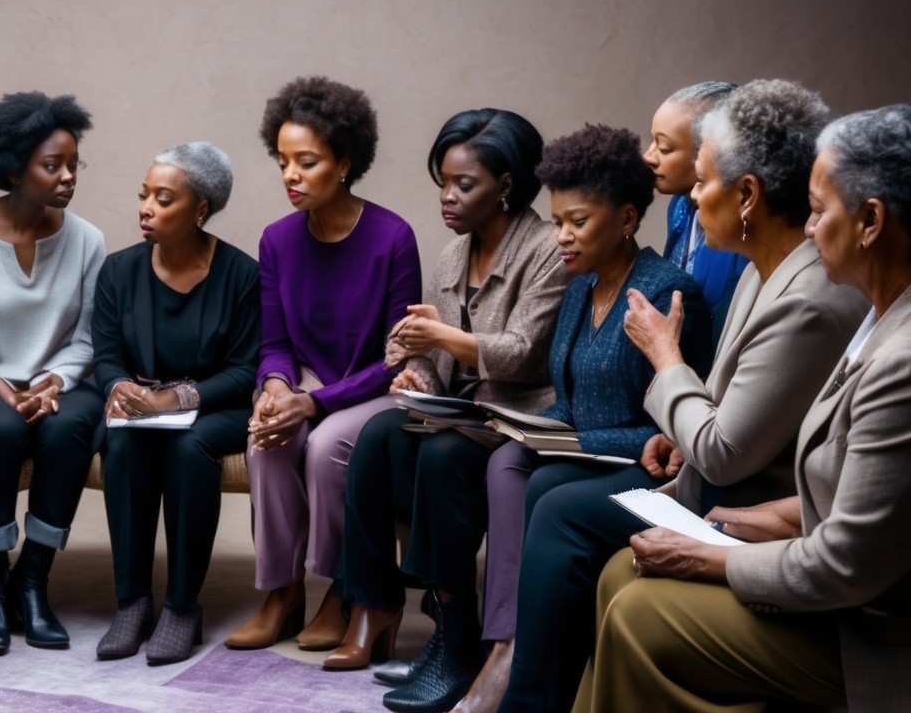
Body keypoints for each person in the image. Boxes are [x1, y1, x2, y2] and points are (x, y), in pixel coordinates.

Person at [498, 80, 851, 713]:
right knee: (552, 501)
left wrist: (665, 357)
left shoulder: (803, 297)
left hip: (746, 507)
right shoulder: (761, 272)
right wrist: (675, 437)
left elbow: (724, 453)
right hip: (713, 482)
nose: (688, 195)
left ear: (746, 196)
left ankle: (526, 698)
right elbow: (722, 409)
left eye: (702, 180)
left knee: (560, 512)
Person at [576, 103, 911, 713]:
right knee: (622, 575)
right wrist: (789, 516)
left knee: (641, 612)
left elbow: (850, 564)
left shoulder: (896, 354)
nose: (809, 230)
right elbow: (876, 502)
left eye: (818, 210)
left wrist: (712, 556)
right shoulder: (874, 314)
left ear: (869, 221)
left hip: (873, 635)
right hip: (840, 587)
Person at [385, 124, 714, 713]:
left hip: (646, 462)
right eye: (557, 220)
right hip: (585, 449)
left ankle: (523, 676)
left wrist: (570, 435)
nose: (561, 235)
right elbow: (563, 399)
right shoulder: (581, 285)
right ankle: (481, 644)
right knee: (498, 456)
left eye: (578, 222)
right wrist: (516, 424)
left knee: (547, 489)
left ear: (629, 219)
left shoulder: (669, 292)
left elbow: (677, 429)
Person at [338, 110, 567, 701]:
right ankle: (377, 603)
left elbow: (519, 356)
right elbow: (438, 369)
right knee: (379, 436)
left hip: (523, 420)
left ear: (508, 184)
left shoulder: (546, 249)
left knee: (441, 458)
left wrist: (437, 337)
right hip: (466, 418)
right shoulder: (450, 257)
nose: (447, 196)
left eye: (464, 184)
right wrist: (414, 369)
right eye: (442, 180)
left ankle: (459, 637)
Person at [227, 76, 423, 652]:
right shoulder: (277, 240)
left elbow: (397, 358)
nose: (290, 175)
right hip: (307, 380)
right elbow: (275, 341)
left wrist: (312, 402)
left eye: (306, 162)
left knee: (325, 445)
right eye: (283, 161)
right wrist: (276, 388)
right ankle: (283, 594)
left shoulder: (393, 238)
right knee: (265, 436)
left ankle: (342, 588)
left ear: (344, 162)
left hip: (376, 387)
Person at [0, 91, 106, 654]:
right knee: (2, 429)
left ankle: (31, 581)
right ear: (12, 169)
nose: (67, 177)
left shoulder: (87, 241)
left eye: (73, 165)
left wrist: (53, 382)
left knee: (67, 428)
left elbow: (87, 339)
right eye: (51, 165)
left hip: (61, 382)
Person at [91, 142, 260, 665]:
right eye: (144, 196)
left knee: (190, 451)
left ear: (201, 209)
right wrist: (123, 390)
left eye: (163, 200)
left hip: (214, 408)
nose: (146, 207)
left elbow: (243, 370)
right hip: (141, 405)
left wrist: (179, 397)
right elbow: (106, 358)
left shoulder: (241, 275)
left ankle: (183, 606)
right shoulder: (118, 272)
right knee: (123, 446)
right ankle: (132, 601)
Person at [649, 82, 749, 341]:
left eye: (665, 148)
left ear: (709, 151)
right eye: (653, 142)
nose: (648, 156)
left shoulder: (740, 231)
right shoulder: (681, 206)